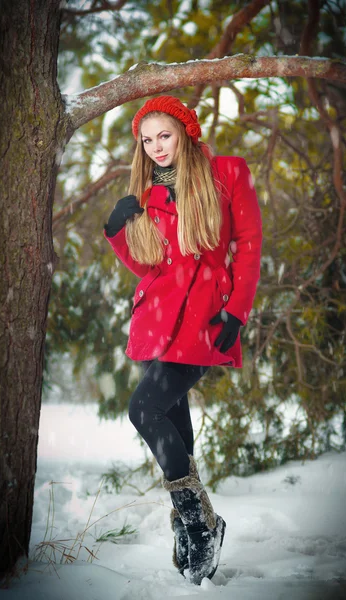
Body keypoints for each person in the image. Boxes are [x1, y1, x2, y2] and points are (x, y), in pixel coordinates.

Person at [104, 95, 262, 585]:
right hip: (156, 321)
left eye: (164, 136)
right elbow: (149, 265)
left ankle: (199, 521)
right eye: (147, 141)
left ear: (185, 131)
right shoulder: (148, 190)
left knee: (142, 410)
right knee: (175, 427)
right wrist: (117, 231)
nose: (155, 148)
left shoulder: (228, 174)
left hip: (203, 321)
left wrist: (236, 312)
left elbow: (249, 246)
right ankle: (193, 539)